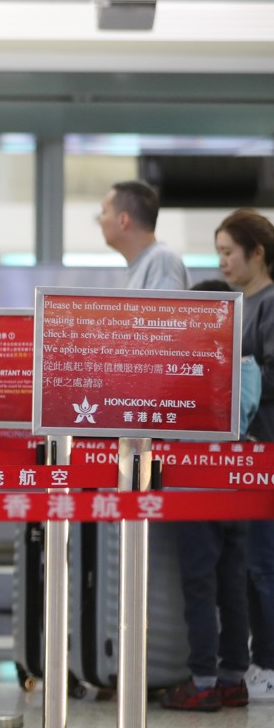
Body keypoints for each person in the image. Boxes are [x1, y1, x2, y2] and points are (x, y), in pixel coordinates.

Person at [155, 275, 253, 711]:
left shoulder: (190, 366)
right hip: (236, 484)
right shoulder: (246, 366)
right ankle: (233, 677)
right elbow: (244, 416)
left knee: (199, 584)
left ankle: (202, 681)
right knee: (232, 584)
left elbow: (166, 415)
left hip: (195, 486)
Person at [212, 209, 274, 703]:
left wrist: (235, 382)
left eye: (229, 252)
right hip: (247, 454)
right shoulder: (240, 305)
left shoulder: (269, 305)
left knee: (264, 564)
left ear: (257, 252)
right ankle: (259, 658)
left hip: (267, 450)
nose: (223, 262)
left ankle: (270, 663)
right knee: (250, 564)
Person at [97, 180, 189, 290]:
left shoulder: (162, 260)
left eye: (104, 212)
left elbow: (164, 302)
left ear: (123, 220)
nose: (100, 220)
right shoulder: (143, 266)